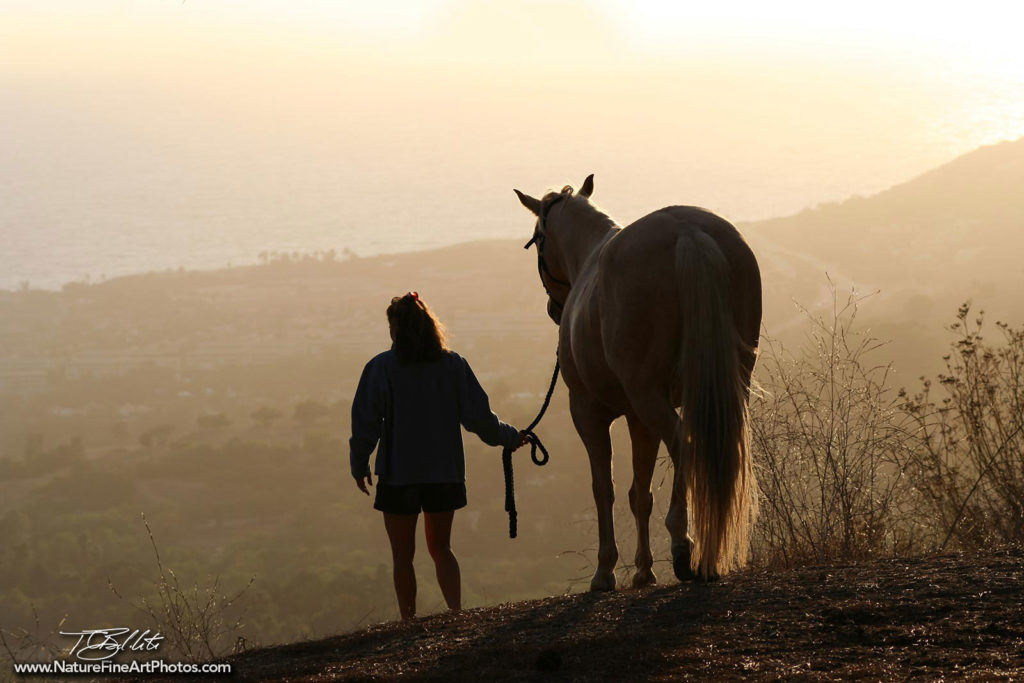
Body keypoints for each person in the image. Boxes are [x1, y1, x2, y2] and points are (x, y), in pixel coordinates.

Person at [349, 292, 527, 620]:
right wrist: (510, 437)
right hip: (444, 472)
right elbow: (480, 419)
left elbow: (365, 423)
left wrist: (358, 463)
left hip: (398, 474)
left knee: (402, 556)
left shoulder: (380, 368)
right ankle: (456, 615)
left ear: (396, 328)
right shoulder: (453, 366)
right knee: (441, 548)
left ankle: (408, 622)